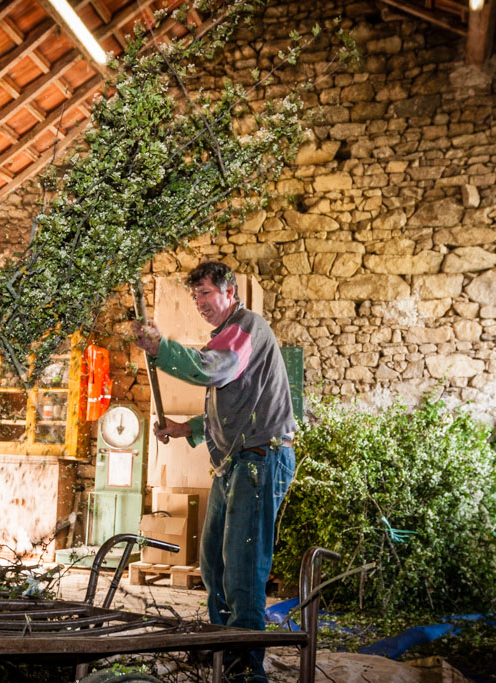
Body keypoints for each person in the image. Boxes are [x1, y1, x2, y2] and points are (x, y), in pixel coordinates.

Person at [132, 261, 296, 682]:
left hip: (259, 461)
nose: (200, 303)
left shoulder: (246, 328)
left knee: (243, 568)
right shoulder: (227, 336)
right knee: (213, 564)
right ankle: (224, 645)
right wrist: (182, 428)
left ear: (230, 293)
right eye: (195, 296)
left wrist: (161, 348)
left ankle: (245, 668)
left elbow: (210, 368)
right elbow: (230, 413)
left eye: (205, 293)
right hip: (235, 462)